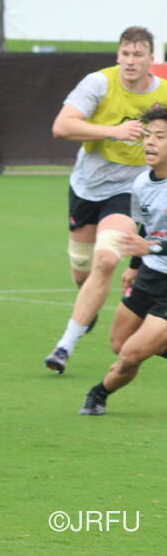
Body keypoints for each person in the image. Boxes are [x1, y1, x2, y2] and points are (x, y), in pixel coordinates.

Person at [44, 26, 167, 374]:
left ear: (151, 59)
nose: (130, 61)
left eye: (138, 55)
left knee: (106, 260)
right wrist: (114, 131)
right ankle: (87, 305)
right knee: (82, 270)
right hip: (87, 187)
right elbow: (61, 127)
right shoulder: (98, 83)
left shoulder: (163, 94)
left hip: (128, 190)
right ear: (118, 56)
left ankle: (64, 346)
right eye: (125, 54)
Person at [80, 106, 167, 414]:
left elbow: (149, 243)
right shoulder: (142, 183)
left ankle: (98, 394)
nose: (150, 142)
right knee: (119, 343)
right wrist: (134, 267)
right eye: (147, 135)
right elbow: (146, 228)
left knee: (131, 354)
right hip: (150, 276)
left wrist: (151, 249)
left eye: (160, 136)